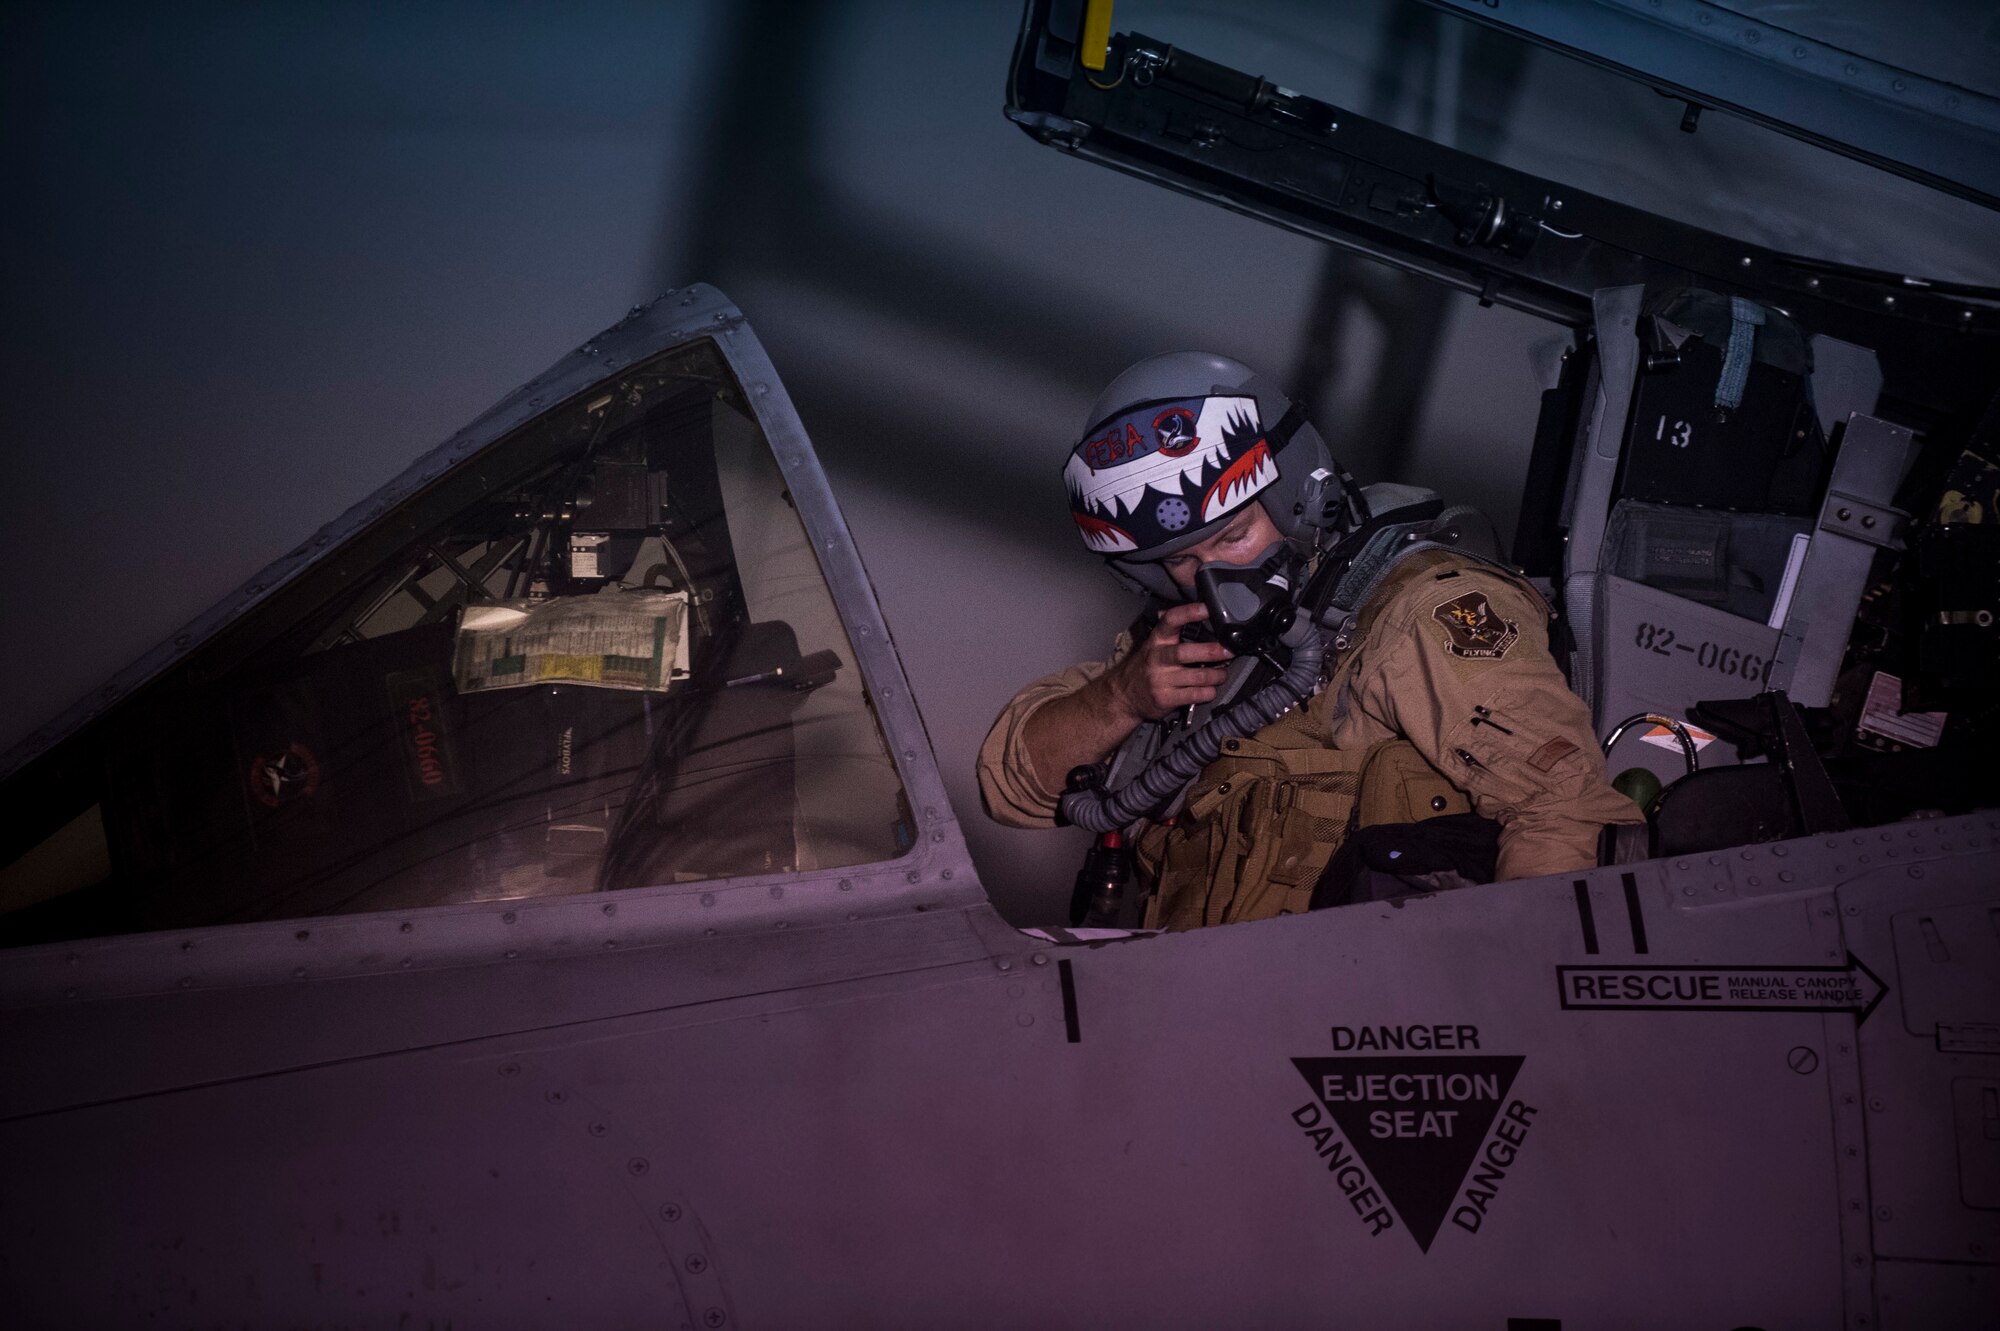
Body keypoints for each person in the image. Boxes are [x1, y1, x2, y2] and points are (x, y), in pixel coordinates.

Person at [977, 351, 1640, 930]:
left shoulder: (1416, 608)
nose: (1218, 577)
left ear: (1298, 494)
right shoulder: (1186, 648)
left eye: (1234, 537)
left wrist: (1504, 1012)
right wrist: (1119, 700)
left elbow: (1563, 807)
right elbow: (1012, 787)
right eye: (1184, 560)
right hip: (1212, 1028)